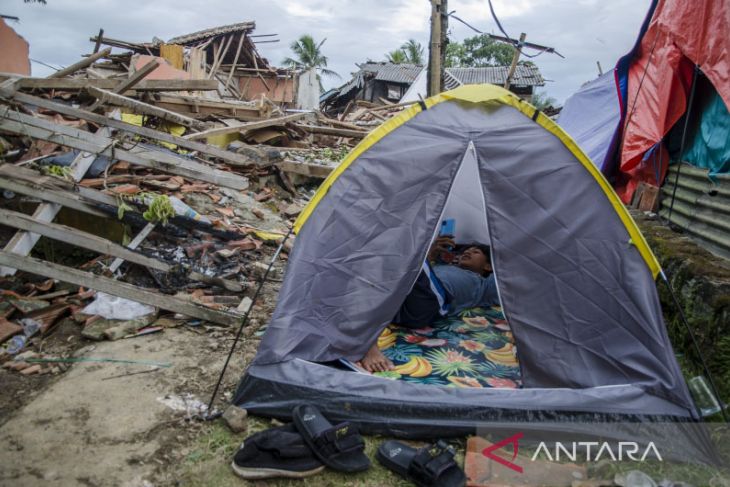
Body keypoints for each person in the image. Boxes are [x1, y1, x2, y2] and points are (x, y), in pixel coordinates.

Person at [358, 237, 500, 372]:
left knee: (407, 248)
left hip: (428, 304)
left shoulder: (485, 284)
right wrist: (431, 253)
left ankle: (368, 345)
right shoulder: (442, 266)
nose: (468, 252)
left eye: (476, 252)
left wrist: (423, 252)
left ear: (488, 266)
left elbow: (514, 273)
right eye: (466, 250)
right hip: (400, 299)